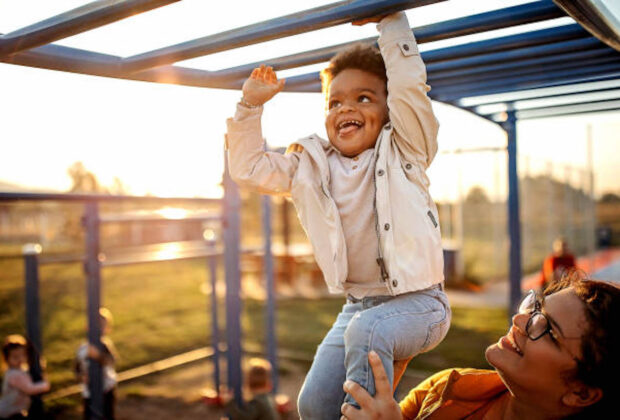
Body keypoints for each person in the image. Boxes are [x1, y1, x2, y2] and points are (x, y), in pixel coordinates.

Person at [226, 11, 449, 419]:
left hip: (421, 304)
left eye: (364, 98)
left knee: (367, 335)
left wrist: (391, 22)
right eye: (335, 102)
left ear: (388, 110)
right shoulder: (310, 166)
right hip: (358, 305)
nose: (346, 108)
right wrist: (249, 106)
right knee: (312, 405)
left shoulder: (405, 150)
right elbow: (249, 169)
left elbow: (409, 87)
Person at [341, 274, 620, 420]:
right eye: (536, 307)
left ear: (581, 394)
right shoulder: (447, 388)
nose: (519, 319)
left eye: (545, 329)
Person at [75, 308, 118, 420]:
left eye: (102, 326)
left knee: (107, 415)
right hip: (88, 392)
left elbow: (112, 361)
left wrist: (98, 356)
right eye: (95, 325)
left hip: (106, 389)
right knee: (89, 415)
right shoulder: (82, 349)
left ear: (107, 329)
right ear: (87, 327)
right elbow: (77, 368)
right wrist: (81, 377)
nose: (98, 329)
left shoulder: (104, 345)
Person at [0, 335, 50, 420]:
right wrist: (45, 385)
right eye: (15, 357)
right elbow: (30, 389)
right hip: (9, 413)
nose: (20, 359)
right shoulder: (14, 375)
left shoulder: (19, 370)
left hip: (15, 411)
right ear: (7, 359)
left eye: (23, 355)